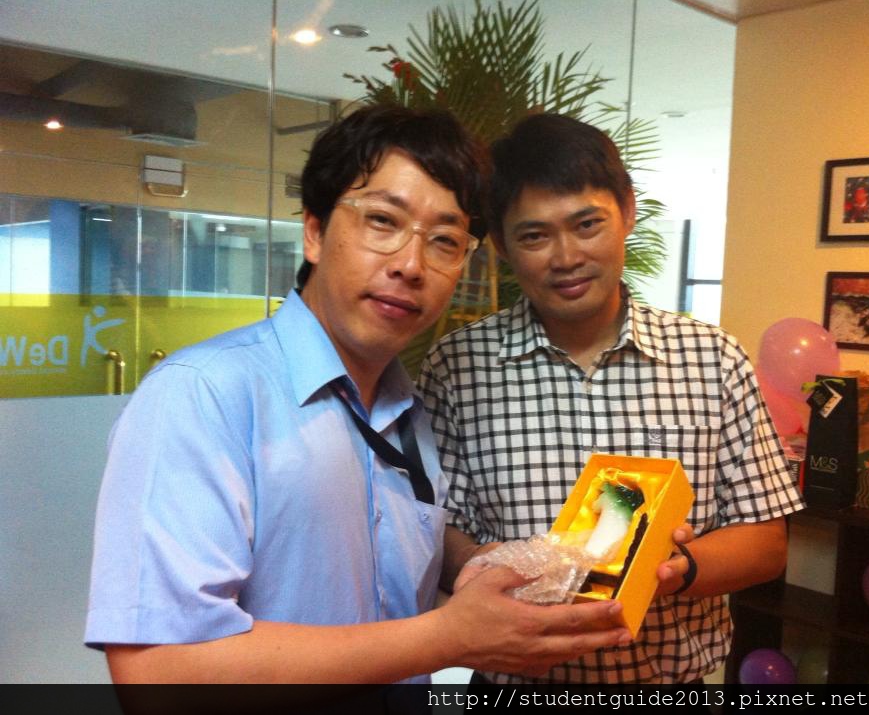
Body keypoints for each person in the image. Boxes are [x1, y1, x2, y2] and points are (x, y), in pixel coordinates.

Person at [84, 105, 632, 687]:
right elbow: (157, 675)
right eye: (382, 222)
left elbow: (394, 606)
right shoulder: (205, 394)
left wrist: (504, 573)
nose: (411, 265)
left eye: (445, 241)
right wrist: (448, 636)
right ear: (315, 232)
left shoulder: (409, 416)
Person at [418, 113, 806, 684]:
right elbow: (437, 529)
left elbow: (766, 541)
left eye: (587, 224)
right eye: (534, 236)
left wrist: (672, 567)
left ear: (627, 210)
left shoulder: (712, 358)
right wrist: (488, 567)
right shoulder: (456, 367)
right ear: (500, 244)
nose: (566, 257)